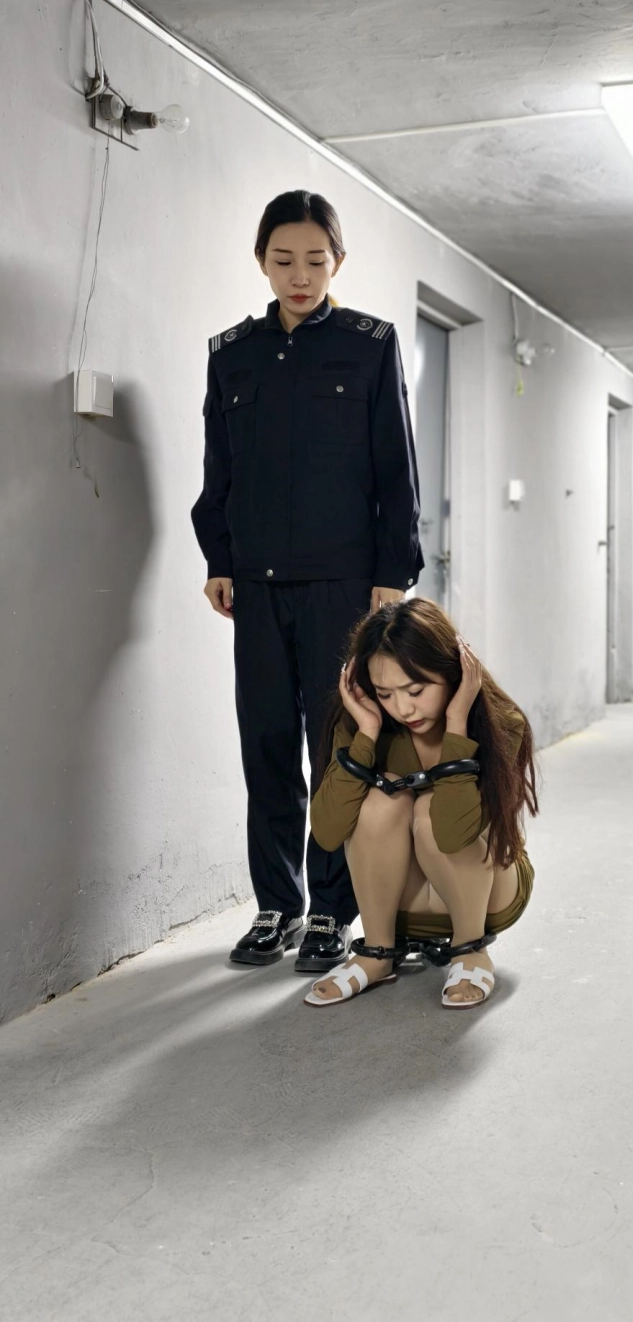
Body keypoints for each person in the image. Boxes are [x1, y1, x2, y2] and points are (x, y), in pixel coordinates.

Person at [191, 191, 423, 972]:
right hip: (256, 587)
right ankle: (277, 905)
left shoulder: (369, 345)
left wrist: (391, 573)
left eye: (315, 261)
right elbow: (219, 468)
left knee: (337, 748)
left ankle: (331, 909)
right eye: (283, 259)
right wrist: (219, 558)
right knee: (264, 745)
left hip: (343, 586)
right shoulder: (232, 355)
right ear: (261, 261)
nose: (300, 275)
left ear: (338, 262)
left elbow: (396, 466)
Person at [305, 598, 537, 1009]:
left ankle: (470, 950)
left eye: (416, 690)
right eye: (385, 693)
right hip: (398, 901)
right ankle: (377, 953)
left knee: (433, 810)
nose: (403, 708)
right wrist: (367, 733)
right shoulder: (364, 722)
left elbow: (452, 833)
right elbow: (327, 833)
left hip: (486, 897)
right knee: (378, 803)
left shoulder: (501, 724)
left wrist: (457, 724)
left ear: (453, 672)